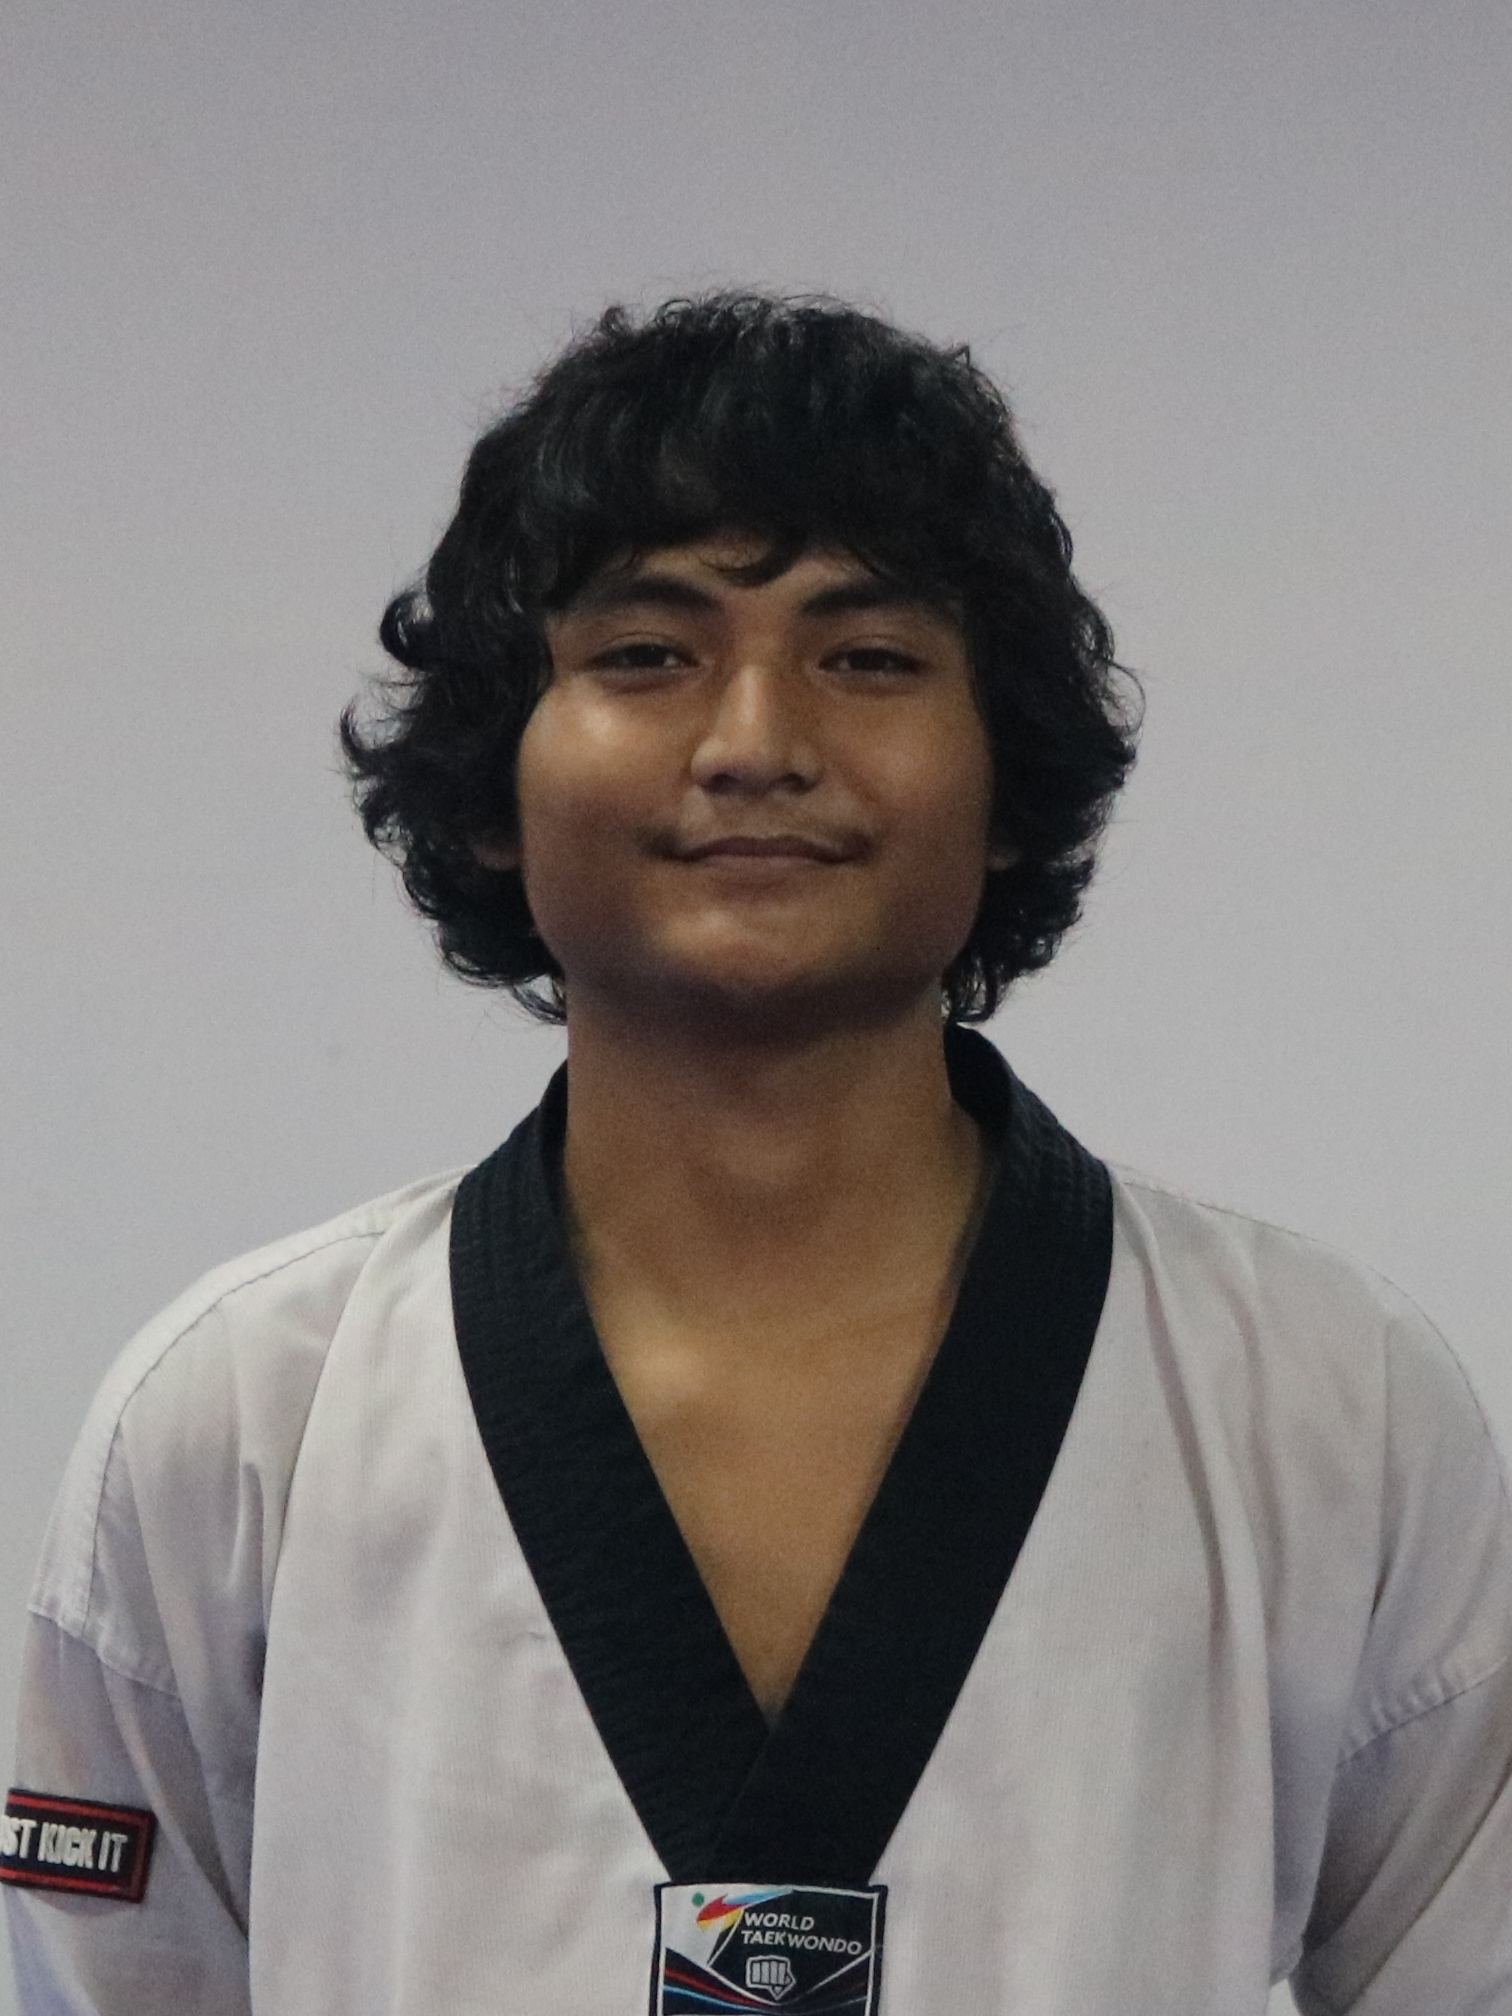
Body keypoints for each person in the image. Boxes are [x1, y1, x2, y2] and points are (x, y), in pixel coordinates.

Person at [4, 293, 1510, 2016]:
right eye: (647, 655)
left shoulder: (1322, 1403)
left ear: (1007, 777)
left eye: (867, 659)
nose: (756, 746)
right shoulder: (242, 1417)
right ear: (490, 784)